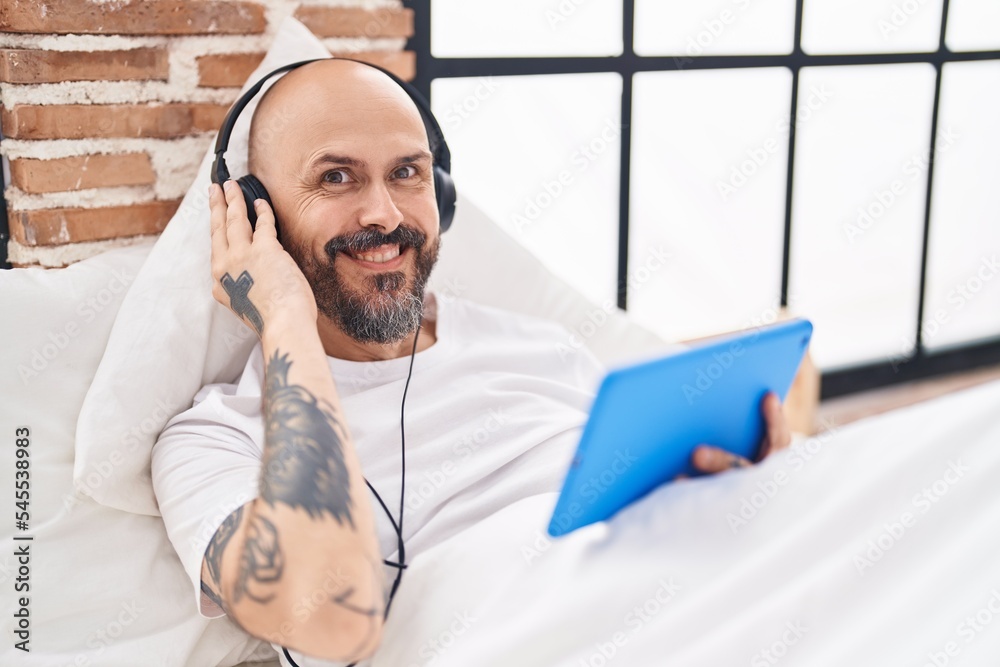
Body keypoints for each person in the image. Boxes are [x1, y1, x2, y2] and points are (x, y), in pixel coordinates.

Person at [151, 58, 792, 667]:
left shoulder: (542, 347)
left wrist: (734, 491)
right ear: (253, 215)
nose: (385, 215)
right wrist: (284, 319)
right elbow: (332, 621)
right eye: (336, 178)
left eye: (408, 172)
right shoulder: (211, 443)